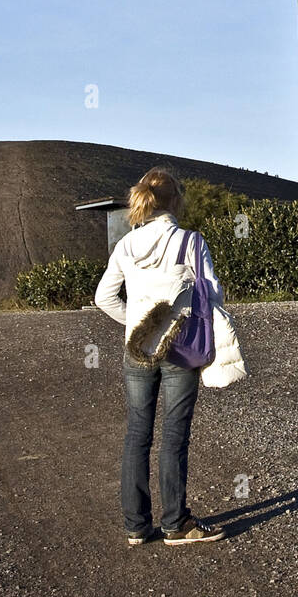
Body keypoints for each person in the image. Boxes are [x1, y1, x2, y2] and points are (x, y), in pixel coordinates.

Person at [94, 166, 226, 547]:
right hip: (182, 350)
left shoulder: (125, 245)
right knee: (174, 437)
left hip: (137, 349)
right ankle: (175, 523)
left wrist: (136, 326)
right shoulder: (191, 242)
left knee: (137, 434)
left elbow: (103, 297)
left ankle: (136, 526)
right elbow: (214, 295)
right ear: (175, 201)